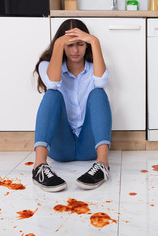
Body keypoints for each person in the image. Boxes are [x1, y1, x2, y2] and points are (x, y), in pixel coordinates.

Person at [32, 19, 112, 192]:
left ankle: (103, 164)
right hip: (61, 148)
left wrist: (95, 41)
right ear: (61, 45)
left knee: (98, 92)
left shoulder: (94, 67)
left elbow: (101, 80)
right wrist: (59, 44)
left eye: (80, 44)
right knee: (52, 93)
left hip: (89, 146)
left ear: (87, 45)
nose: (75, 50)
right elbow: (52, 83)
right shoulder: (47, 66)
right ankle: (39, 167)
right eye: (69, 45)